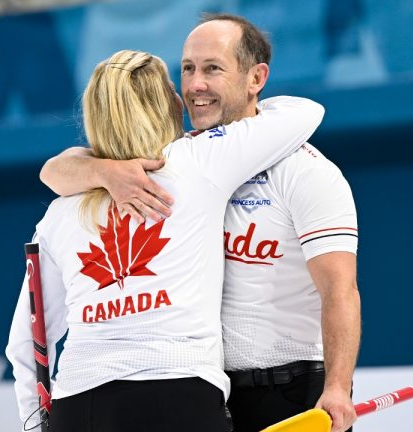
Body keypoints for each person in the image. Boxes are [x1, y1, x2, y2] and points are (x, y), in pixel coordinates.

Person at [40, 15, 360, 432]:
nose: (194, 85)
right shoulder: (175, 162)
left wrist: (338, 386)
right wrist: (104, 171)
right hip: (213, 392)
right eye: (187, 68)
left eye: (213, 68)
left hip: (291, 389)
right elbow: (53, 170)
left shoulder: (304, 171)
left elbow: (340, 290)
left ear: (256, 77)